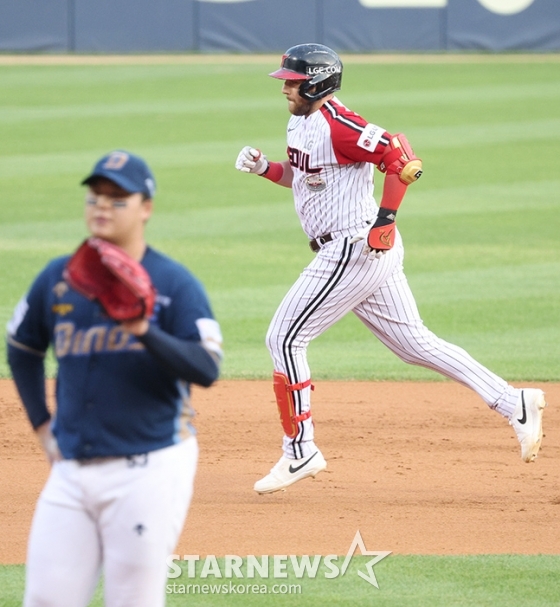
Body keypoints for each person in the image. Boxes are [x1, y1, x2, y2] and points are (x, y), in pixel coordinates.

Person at [235, 43, 547, 495]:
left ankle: (300, 450)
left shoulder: (339, 124)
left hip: (352, 248)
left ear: (318, 83)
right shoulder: (299, 121)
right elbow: (304, 177)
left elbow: (400, 157)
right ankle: (514, 402)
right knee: (414, 343)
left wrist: (386, 219)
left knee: (283, 338)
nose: (285, 87)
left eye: (293, 82)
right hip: (356, 250)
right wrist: (266, 168)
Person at [7, 150, 223, 606]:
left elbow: (207, 368)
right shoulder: (59, 278)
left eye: (117, 198)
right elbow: (22, 347)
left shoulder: (172, 283)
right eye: (95, 196)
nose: (102, 206)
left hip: (148, 469)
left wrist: (144, 331)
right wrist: (43, 427)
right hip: (70, 471)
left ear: (146, 207)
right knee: (45, 599)